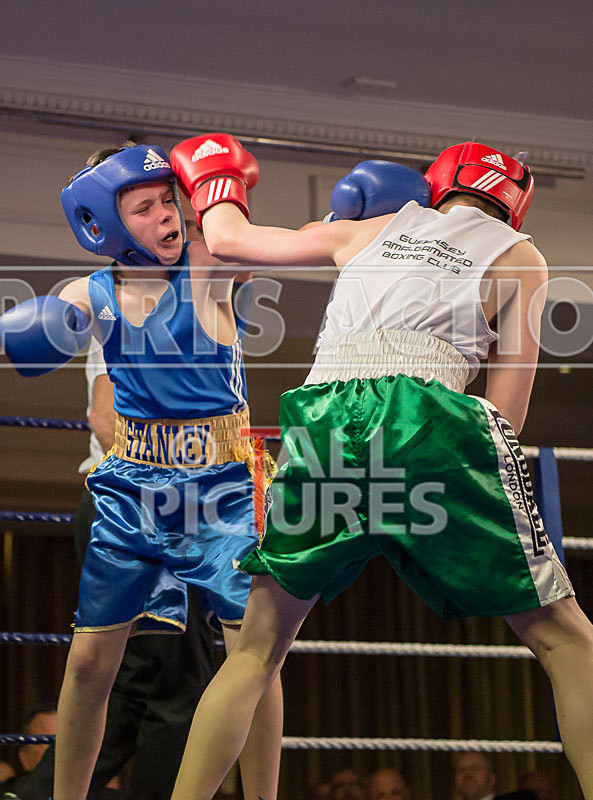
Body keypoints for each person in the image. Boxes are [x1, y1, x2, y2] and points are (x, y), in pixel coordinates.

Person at [164, 134, 593, 800]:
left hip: (325, 417)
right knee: (568, 642)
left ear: (437, 185)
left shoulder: (369, 228)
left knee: (255, 650)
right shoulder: (520, 255)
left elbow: (225, 240)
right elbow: (505, 415)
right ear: (514, 205)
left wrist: (216, 174)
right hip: (428, 416)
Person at [0, 141, 282, 800]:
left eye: (168, 201)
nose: (165, 216)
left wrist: (222, 194)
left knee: (254, 654)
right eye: (144, 208)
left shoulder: (209, 264)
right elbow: (58, 324)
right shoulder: (91, 292)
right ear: (107, 225)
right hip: (133, 488)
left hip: (221, 487)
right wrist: (39, 328)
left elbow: (253, 246)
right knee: (90, 661)